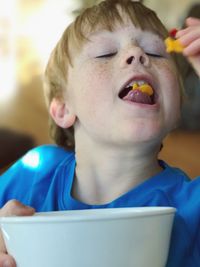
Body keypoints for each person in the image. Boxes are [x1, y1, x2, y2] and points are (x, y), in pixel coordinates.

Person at [0, 0, 200, 266]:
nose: (137, 54)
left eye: (155, 52)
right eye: (106, 53)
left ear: (178, 108)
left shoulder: (192, 208)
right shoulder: (32, 175)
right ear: (62, 109)